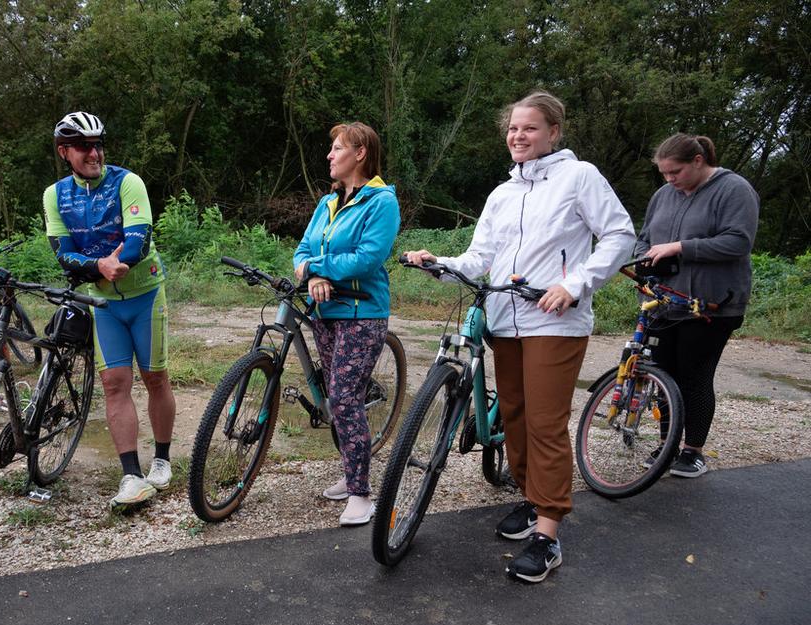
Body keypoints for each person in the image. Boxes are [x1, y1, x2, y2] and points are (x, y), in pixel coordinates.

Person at [404, 91, 635, 582]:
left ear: (554, 132)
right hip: (504, 321)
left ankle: (548, 535)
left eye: (529, 128)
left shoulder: (579, 177)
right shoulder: (503, 193)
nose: (518, 135)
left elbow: (619, 235)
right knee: (515, 415)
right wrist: (438, 264)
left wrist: (574, 285)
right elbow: (478, 258)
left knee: (545, 423)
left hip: (554, 322)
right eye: (513, 128)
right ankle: (533, 501)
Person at [43, 111, 176, 510]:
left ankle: (163, 460)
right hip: (103, 303)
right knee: (114, 383)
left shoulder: (127, 182)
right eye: (84, 146)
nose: (94, 152)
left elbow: (138, 238)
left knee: (155, 377)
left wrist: (109, 263)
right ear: (64, 151)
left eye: (98, 144)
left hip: (145, 294)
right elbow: (63, 254)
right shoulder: (55, 195)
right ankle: (131, 475)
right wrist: (98, 266)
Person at [294, 122, 400, 526]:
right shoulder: (327, 202)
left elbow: (366, 258)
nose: (329, 155)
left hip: (363, 313)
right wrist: (314, 277)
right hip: (326, 312)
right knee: (335, 396)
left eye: (337, 148)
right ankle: (350, 470)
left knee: (342, 396)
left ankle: (361, 493)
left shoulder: (381, 202)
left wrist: (316, 269)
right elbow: (302, 250)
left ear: (359, 154)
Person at [635, 133, 759, 478]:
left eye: (675, 172)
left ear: (698, 161)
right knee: (663, 375)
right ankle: (667, 444)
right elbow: (645, 236)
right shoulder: (664, 195)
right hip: (662, 302)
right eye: (664, 174)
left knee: (694, 376)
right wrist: (645, 255)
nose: (670, 180)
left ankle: (693, 451)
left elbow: (738, 241)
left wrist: (679, 248)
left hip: (711, 305)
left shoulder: (734, 189)